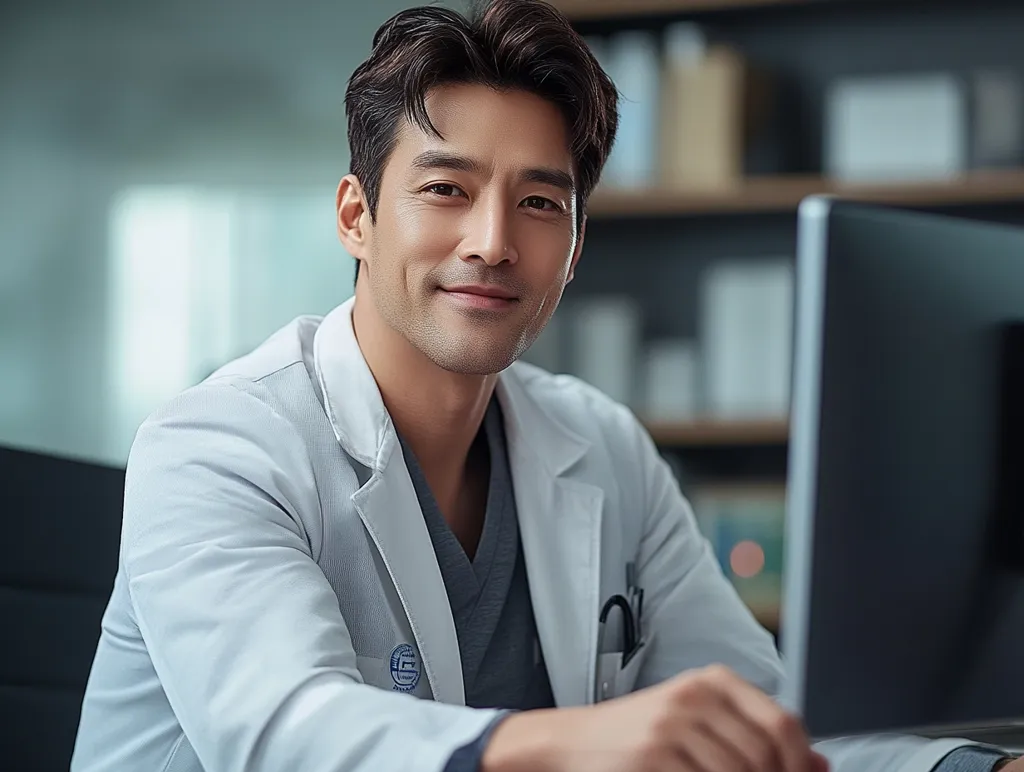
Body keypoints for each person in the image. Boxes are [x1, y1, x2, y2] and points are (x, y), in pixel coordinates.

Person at [71, 1, 1021, 771]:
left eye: (539, 203)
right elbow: (284, 731)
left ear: (571, 253)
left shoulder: (602, 446)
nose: (492, 240)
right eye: (446, 189)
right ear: (356, 217)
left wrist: (972, 769)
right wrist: (568, 745)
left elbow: (759, 723)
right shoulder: (216, 446)